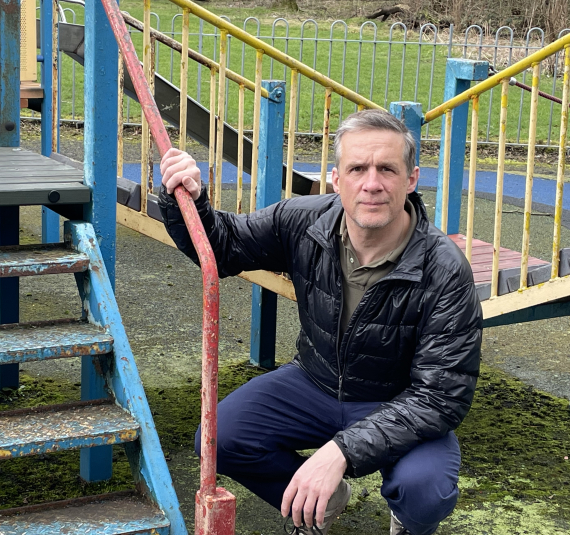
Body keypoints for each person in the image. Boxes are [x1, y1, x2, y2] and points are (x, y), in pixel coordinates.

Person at [158, 109, 482, 535]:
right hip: (314, 381)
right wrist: (188, 198)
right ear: (336, 178)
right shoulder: (305, 222)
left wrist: (339, 452)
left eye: (387, 168)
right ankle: (320, 503)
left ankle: (405, 519)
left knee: (426, 489)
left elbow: (442, 397)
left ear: (411, 179)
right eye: (357, 168)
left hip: (397, 398)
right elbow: (224, 247)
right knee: (216, 440)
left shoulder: (445, 269)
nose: (372, 183)